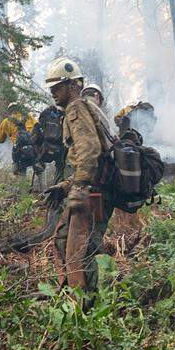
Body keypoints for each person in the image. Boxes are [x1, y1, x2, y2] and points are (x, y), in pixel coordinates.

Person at [43, 57, 114, 291]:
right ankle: (79, 297)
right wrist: (65, 186)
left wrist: (80, 188)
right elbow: (90, 156)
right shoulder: (85, 107)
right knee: (67, 242)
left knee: (79, 249)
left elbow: (90, 150)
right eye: (51, 88)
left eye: (57, 87)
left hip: (94, 192)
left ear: (72, 85)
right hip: (95, 188)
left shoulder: (75, 108)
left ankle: (87, 306)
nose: (53, 92)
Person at [0, 102, 39, 181]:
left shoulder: (6, 121)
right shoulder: (29, 117)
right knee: (40, 170)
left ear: (9, 111)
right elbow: (38, 127)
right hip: (34, 149)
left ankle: (23, 192)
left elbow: (0, 140)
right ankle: (44, 191)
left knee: (20, 173)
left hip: (19, 152)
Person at [34, 103, 68, 186]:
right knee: (60, 169)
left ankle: (46, 192)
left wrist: (38, 147)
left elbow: (38, 136)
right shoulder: (63, 115)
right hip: (60, 148)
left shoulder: (45, 116)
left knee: (41, 170)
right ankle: (57, 191)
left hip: (46, 147)